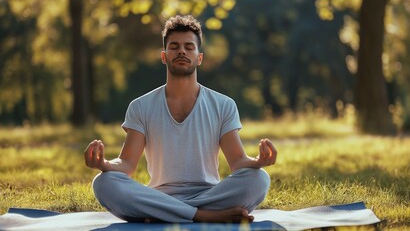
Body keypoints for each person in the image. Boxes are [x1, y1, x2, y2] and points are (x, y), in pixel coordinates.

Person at [84, 15, 277, 223]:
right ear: (164, 56)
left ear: (199, 57)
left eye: (189, 47)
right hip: (160, 196)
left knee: (258, 179)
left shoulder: (223, 105)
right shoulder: (140, 106)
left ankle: (165, 214)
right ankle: (203, 216)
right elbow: (127, 164)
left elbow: (238, 161)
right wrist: (104, 164)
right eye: (174, 46)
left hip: (208, 196)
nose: (182, 51)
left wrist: (257, 162)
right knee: (103, 183)